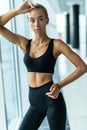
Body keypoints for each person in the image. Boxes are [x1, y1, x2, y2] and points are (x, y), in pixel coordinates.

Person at [0, 1, 87, 130]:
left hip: (52, 100)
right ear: (28, 22)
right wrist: (17, 10)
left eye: (41, 19)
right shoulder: (24, 43)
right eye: (32, 20)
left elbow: (82, 67)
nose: (37, 24)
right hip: (34, 103)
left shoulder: (56, 45)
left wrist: (59, 85)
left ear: (47, 20)